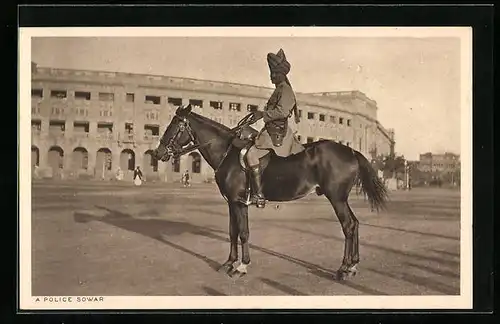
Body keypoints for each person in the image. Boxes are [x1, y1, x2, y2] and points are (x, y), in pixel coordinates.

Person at [246, 48, 303, 208]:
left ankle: (259, 195)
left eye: (274, 74)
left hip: (277, 135)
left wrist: (262, 115)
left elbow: (282, 111)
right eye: (271, 74)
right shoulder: (280, 89)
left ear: (281, 75)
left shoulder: (285, 90)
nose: (271, 77)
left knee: (251, 155)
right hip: (271, 131)